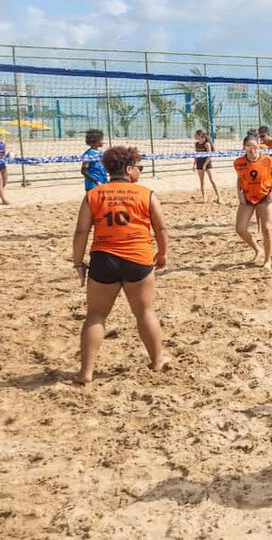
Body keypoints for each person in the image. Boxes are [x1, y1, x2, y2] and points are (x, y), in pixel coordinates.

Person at [71, 145, 168, 384]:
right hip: (138, 259)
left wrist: (78, 262)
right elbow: (161, 228)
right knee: (144, 312)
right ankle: (157, 362)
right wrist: (163, 253)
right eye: (139, 167)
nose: (141, 171)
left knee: (95, 316)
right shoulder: (146, 194)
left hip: (104, 260)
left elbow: (82, 230)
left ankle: (86, 373)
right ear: (127, 168)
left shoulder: (94, 195)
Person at [234, 134, 272, 270]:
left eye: (255, 147)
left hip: (265, 196)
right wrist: (239, 193)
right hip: (248, 196)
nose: (252, 150)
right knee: (240, 229)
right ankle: (258, 249)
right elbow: (240, 179)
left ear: (259, 146)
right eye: (249, 147)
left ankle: (267, 261)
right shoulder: (239, 162)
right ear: (244, 148)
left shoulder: (268, 160)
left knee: (266, 228)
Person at [193, 129, 221, 203]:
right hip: (199, 163)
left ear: (200, 135)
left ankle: (219, 197)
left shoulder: (207, 144)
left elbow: (209, 155)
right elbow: (196, 155)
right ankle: (204, 198)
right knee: (202, 181)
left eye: (196, 135)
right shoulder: (196, 144)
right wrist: (194, 164)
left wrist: (205, 164)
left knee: (212, 180)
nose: (194, 136)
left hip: (207, 163)